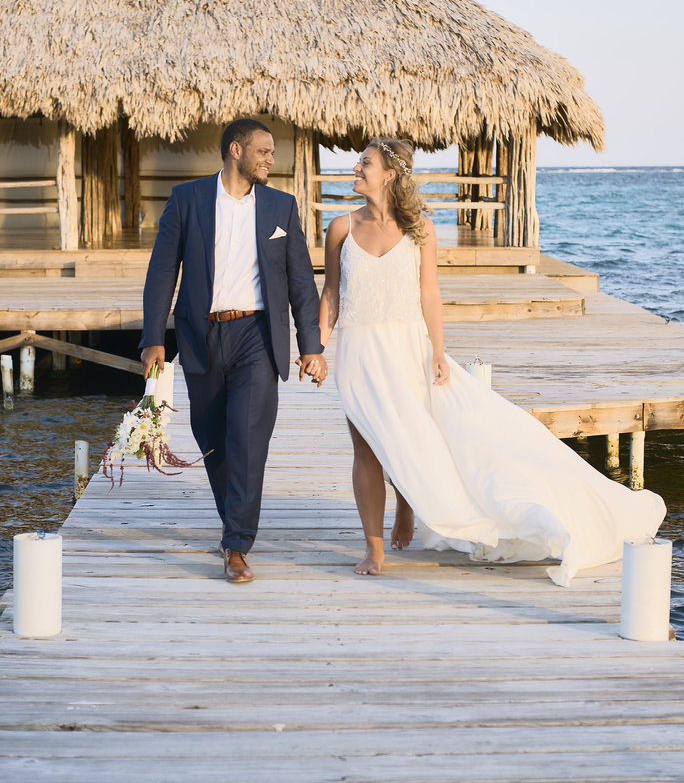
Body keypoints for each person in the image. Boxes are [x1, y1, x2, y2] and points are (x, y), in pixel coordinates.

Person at [319, 138, 666, 584]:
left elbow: (429, 294)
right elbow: (331, 294)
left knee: (415, 436)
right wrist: (316, 347)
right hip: (358, 354)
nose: (355, 167)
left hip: (408, 348)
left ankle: (407, 506)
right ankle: (374, 546)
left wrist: (440, 353)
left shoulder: (421, 229)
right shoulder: (341, 228)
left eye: (364, 162)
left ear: (389, 174)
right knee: (367, 445)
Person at [140, 118, 327, 584]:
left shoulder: (281, 207)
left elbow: (302, 281)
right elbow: (162, 271)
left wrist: (311, 347)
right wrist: (153, 339)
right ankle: (234, 525)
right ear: (236, 151)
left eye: (272, 151)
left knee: (247, 441)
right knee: (213, 442)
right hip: (201, 335)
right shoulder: (188, 200)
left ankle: (237, 545)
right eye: (264, 151)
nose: (271, 159)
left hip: (257, 336)